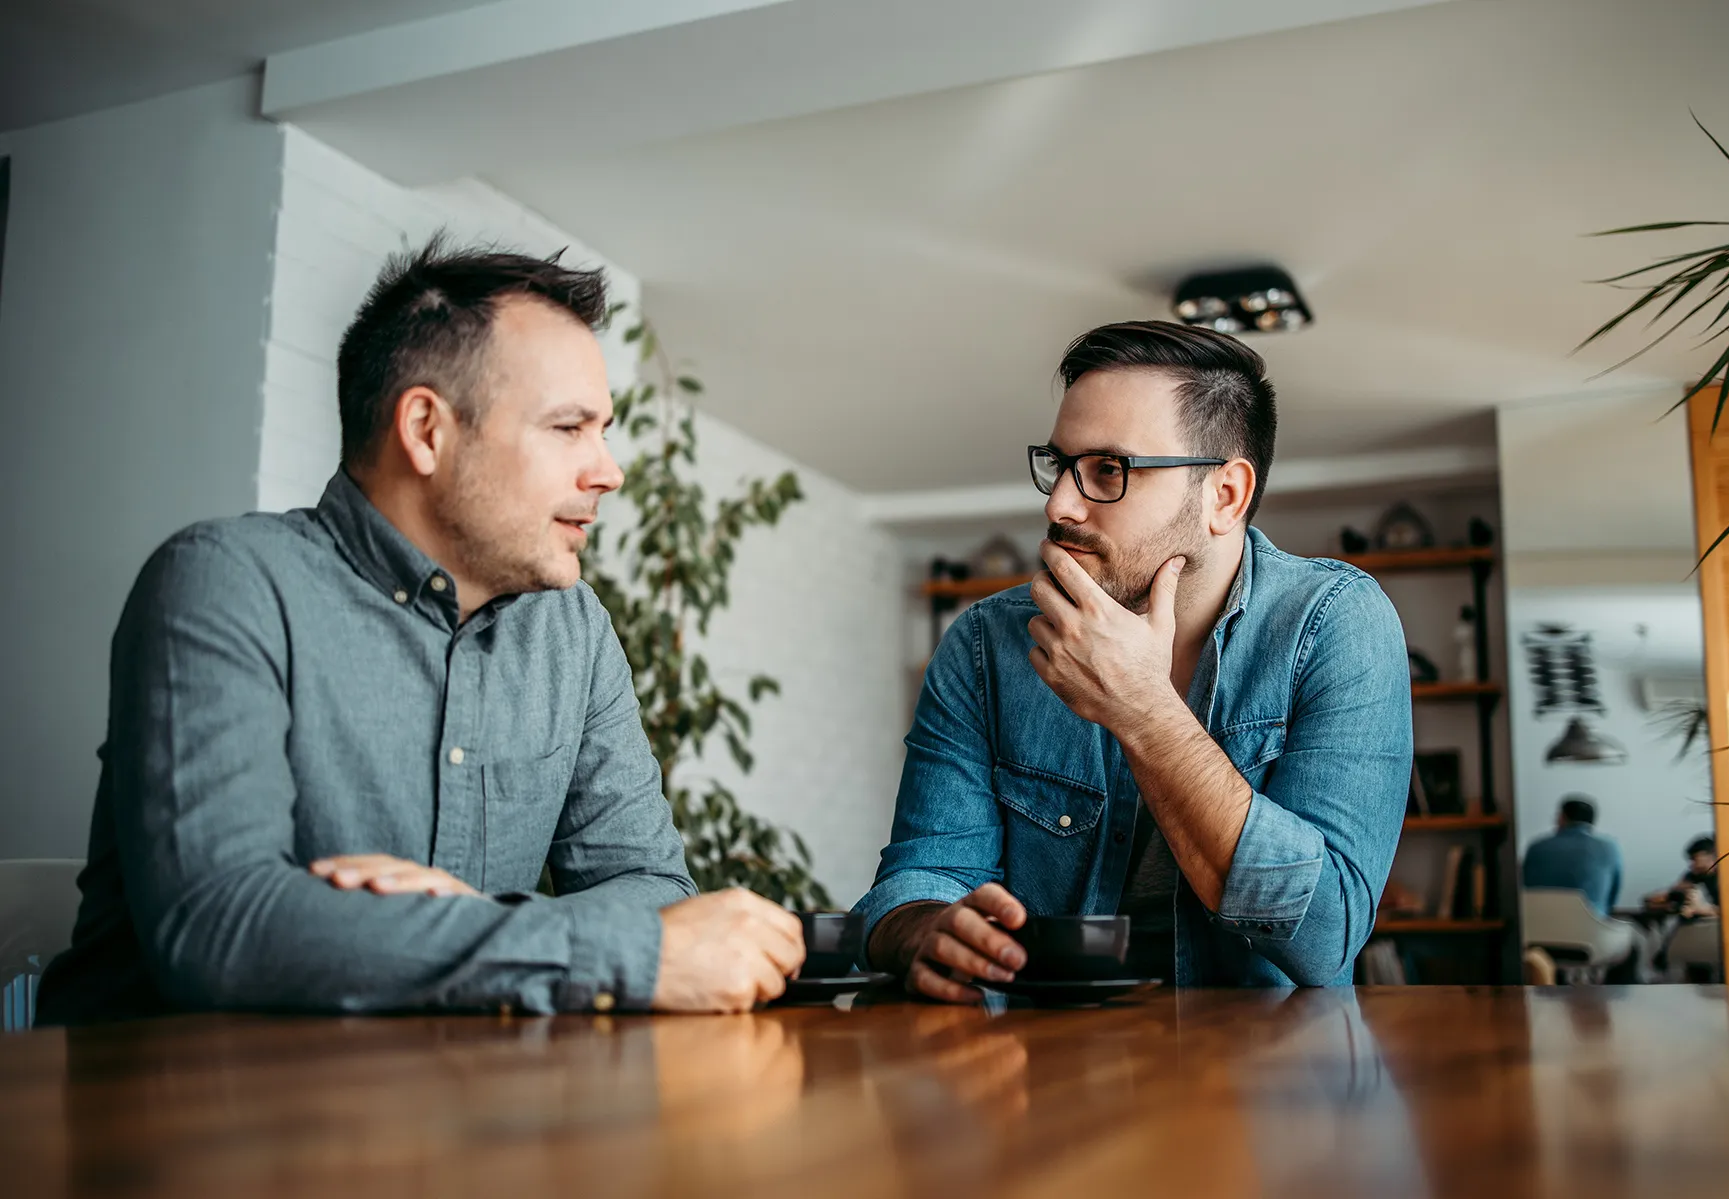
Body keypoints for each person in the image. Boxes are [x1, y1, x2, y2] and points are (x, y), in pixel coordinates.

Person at [38, 237, 804, 1023]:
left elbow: (652, 887)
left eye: (602, 430)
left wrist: (459, 923)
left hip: (430, 1110)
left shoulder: (573, 630)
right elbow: (222, 926)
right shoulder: (223, 583)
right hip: (167, 1115)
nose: (607, 470)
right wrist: (517, 934)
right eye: (570, 428)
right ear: (427, 430)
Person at [854, 321, 1413, 998]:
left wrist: (1143, 709)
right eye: (1060, 465)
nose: (1060, 503)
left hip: (1268, 1078)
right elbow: (920, 877)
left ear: (1225, 495)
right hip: (1040, 1073)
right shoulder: (984, 644)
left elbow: (1325, 937)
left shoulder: (1336, 624)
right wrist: (923, 926)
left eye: (1108, 470)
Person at [1520, 796, 1624, 916]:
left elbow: (1527, 887)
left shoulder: (1536, 847)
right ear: (1592, 822)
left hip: (1541, 925)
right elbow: (1612, 896)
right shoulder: (1610, 848)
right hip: (1593, 929)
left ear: (1561, 818)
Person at [1645, 835, 1720, 918]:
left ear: (1710, 856)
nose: (1692, 865)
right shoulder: (1693, 876)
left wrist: (1703, 910)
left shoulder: (1726, 878)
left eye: (1695, 859)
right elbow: (1674, 893)